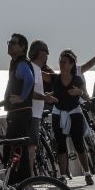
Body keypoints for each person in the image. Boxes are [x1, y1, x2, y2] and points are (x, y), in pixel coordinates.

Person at [0, 33, 35, 184]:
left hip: (20, 115)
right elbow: (14, 92)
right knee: (15, 149)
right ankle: (19, 183)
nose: (9, 44)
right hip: (18, 113)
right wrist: (0, 104)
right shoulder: (16, 64)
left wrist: (22, 97)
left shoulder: (21, 64)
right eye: (9, 42)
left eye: (13, 43)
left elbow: (29, 80)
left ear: (22, 48)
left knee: (15, 149)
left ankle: (19, 183)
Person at [50, 50, 94, 185]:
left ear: (71, 65)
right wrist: (48, 96)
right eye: (60, 61)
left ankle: (87, 173)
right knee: (60, 145)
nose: (61, 64)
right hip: (58, 113)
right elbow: (40, 75)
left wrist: (79, 92)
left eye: (64, 62)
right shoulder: (55, 78)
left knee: (79, 144)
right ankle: (62, 176)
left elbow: (87, 97)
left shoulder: (77, 79)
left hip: (74, 112)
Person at [27, 40, 57, 173]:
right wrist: (45, 97)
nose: (47, 55)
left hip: (36, 113)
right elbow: (29, 92)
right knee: (31, 147)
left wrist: (45, 95)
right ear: (40, 52)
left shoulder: (36, 69)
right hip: (32, 113)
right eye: (46, 52)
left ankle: (30, 176)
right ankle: (30, 177)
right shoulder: (33, 68)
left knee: (32, 147)